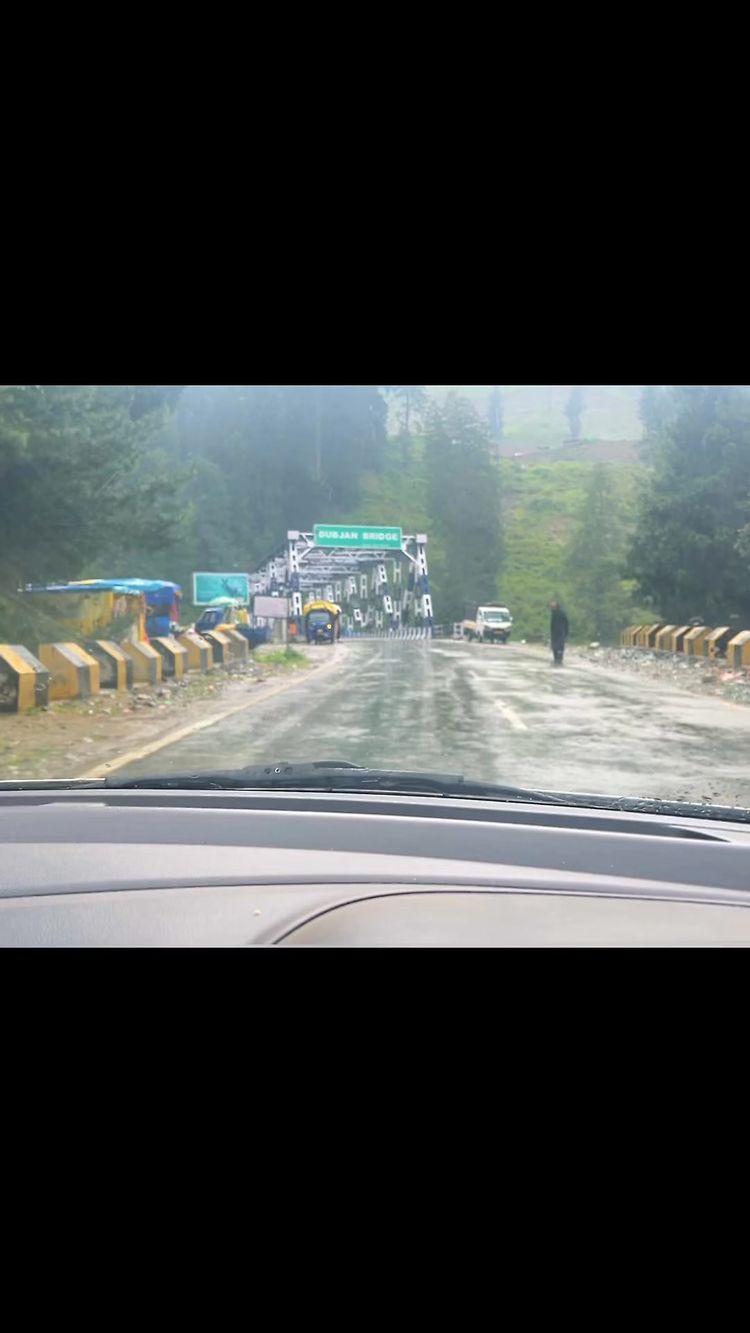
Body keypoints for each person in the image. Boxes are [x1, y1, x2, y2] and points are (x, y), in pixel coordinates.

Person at [550, 600, 569, 667]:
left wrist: (566, 632)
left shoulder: (562, 613)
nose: (552, 608)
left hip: (561, 633)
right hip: (555, 633)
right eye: (551, 607)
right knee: (555, 647)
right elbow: (552, 624)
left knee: (560, 647)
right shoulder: (553, 613)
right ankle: (556, 660)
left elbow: (566, 623)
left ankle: (559, 659)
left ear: (556, 606)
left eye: (553, 607)